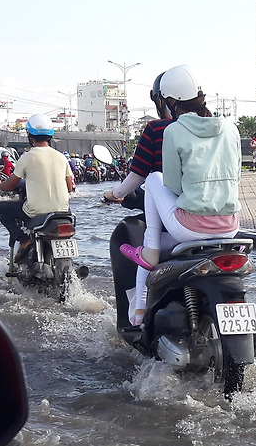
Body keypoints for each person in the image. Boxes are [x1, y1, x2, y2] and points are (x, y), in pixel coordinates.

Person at [120, 65, 242, 326]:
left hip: (190, 229)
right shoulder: (231, 129)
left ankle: (147, 268)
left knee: (154, 178)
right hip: (231, 227)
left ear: (171, 101)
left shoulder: (171, 130)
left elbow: (173, 186)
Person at [0, 114, 75, 273]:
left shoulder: (27, 157)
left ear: (30, 136)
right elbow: (70, 188)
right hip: (63, 212)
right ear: (50, 136)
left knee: (1, 208)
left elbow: (9, 186)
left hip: (35, 211)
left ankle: (23, 240)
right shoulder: (61, 157)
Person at [103, 71, 174, 204]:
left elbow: (138, 175)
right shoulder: (213, 128)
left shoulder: (156, 129)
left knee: (154, 180)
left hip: (173, 208)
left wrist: (116, 193)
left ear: (159, 99)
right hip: (216, 211)